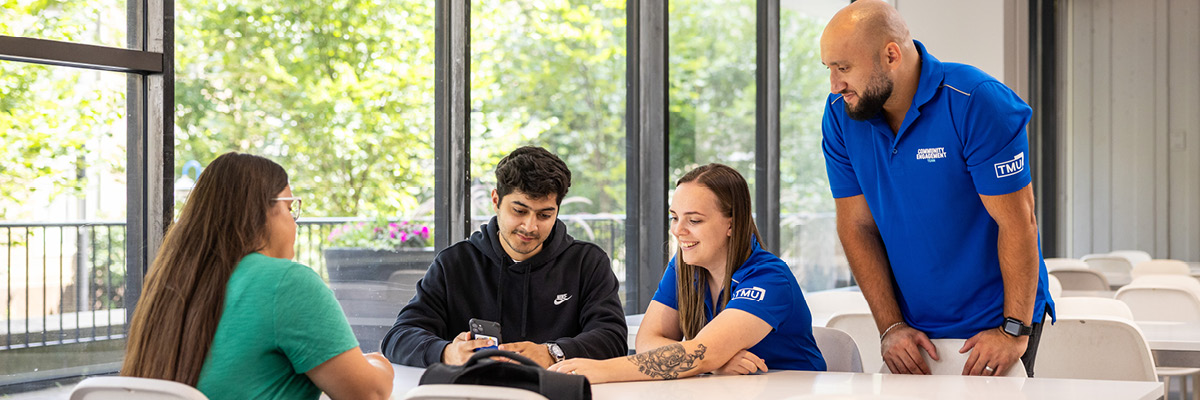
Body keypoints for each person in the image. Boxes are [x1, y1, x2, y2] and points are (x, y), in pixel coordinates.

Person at [819, 0, 1055, 377]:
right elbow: (856, 226)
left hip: (996, 322)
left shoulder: (977, 101)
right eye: (829, 69)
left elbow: (1019, 222)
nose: (835, 85)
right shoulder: (841, 116)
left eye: (844, 68)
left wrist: (1014, 330)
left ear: (891, 55)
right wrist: (890, 326)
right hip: (913, 329)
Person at [122, 152, 393, 399]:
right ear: (263, 211)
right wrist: (380, 364)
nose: (293, 221)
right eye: (290, 208)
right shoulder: (288, 283)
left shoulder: (169, 282)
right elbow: (370, 394)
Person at [547, 164, 826, 382]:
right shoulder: (684, 266)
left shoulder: (770, 278)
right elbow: (647, 342)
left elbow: (701, 354)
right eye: (674, 217)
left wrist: (602, 371)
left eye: (694, 220)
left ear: (733, 223)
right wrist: (714, 362)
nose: (678, 230)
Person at [381, 146, 627, 368]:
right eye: (519, 211)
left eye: (544, 215)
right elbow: (399, 337)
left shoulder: (587, 263)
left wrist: (553, 353)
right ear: (496, 200)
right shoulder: (455, 263)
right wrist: (447, 352)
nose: (530, 227)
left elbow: (612, 338)